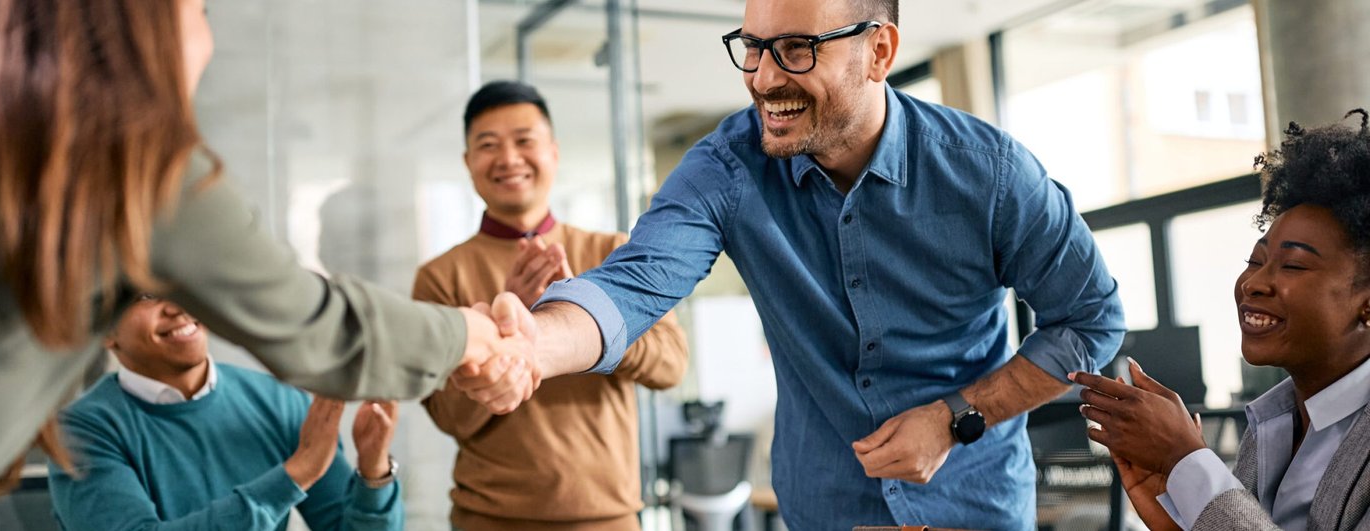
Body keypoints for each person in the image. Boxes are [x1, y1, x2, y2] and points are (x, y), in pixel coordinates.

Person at [0, 1, 538, 529]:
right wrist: (471, 331)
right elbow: (323, 328)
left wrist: (369, 469)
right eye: (200, 10)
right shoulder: (116, 162)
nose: (206, 36)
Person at [511, 0, 1127, 527]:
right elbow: (634, 283)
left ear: (879, 52)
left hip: (973, 505)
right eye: (752, 48)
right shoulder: (728, 168)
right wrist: (533, 344)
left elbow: (1092, 320)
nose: (762, 78)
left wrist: (957, 416)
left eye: (797, 48)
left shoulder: (987, 173)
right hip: (827, 508)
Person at [1073, 111, 1370, 531]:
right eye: (1256, 260)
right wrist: (1178, 521)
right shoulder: (1273, 424)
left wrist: (1187, 463)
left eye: (1294, 266)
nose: (1254, 283)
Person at [412, 80, 689, 531]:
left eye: (524, 141)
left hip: (610, 517)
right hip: (489, 518)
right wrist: (511, 321)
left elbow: (672, 366)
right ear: (468, 163)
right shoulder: (440, 277)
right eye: (488, 145)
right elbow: (450, 416)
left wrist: (589, 314)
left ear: (553, 152)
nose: (508, 158)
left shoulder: (612, 252)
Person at [50, 294, 404, 530]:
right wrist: (295, 474)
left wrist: (374, 471)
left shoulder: (279, 400)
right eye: (146, 296)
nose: (176, 306)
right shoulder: (79, 431)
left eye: (184, 288)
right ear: (104, 330)